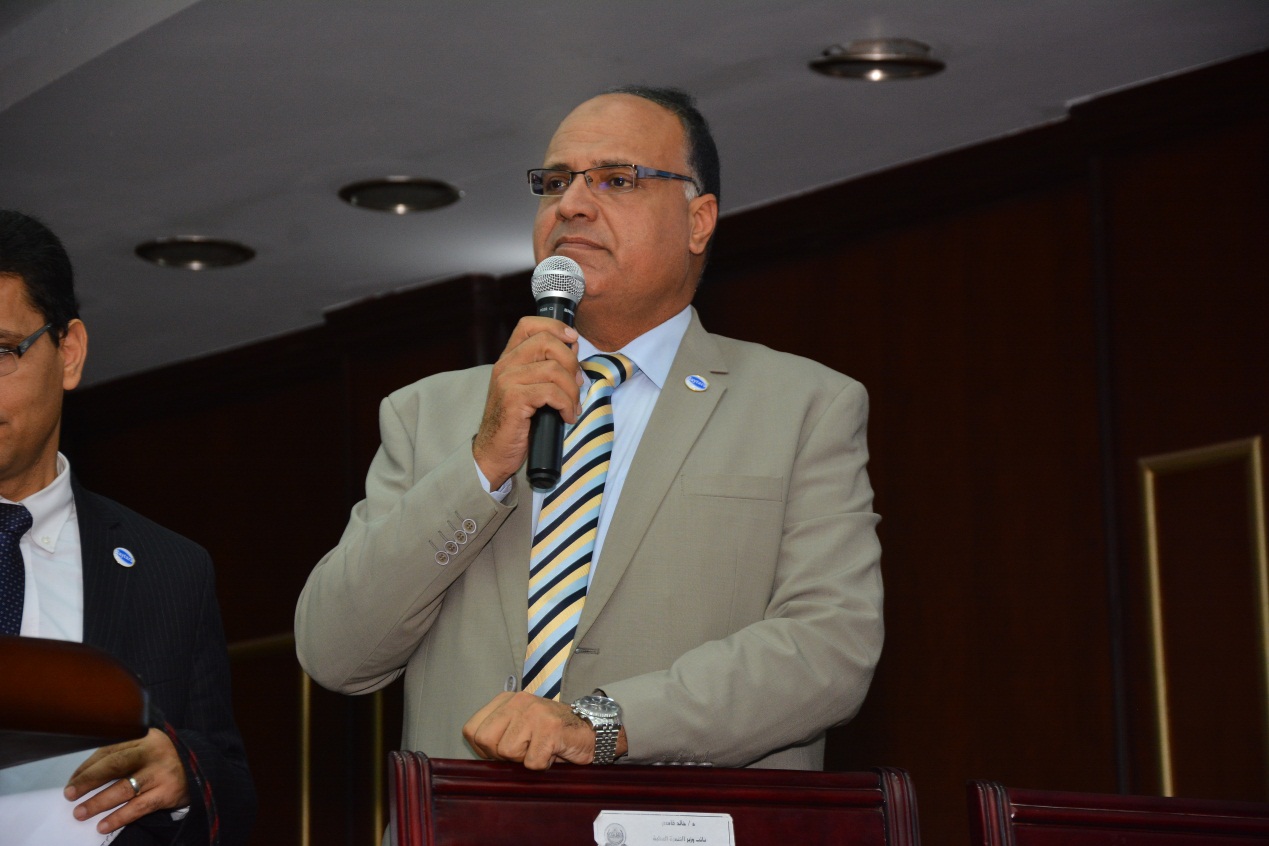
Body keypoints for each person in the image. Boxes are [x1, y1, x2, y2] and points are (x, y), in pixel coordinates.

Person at [295, 86, 883, 771]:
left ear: (698, 221)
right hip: (463, 818)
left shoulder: (803, 406)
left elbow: (828, 651)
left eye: (615, 179)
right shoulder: (428, 413)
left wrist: (601, 725)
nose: (571, 204)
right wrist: (481, 465)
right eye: (555, 182)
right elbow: (335, 653)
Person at [0, 210, 255, 845]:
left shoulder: (170, 571)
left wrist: (185, 775)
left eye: (1, 352)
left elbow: (231, 791)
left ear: (69, 353)